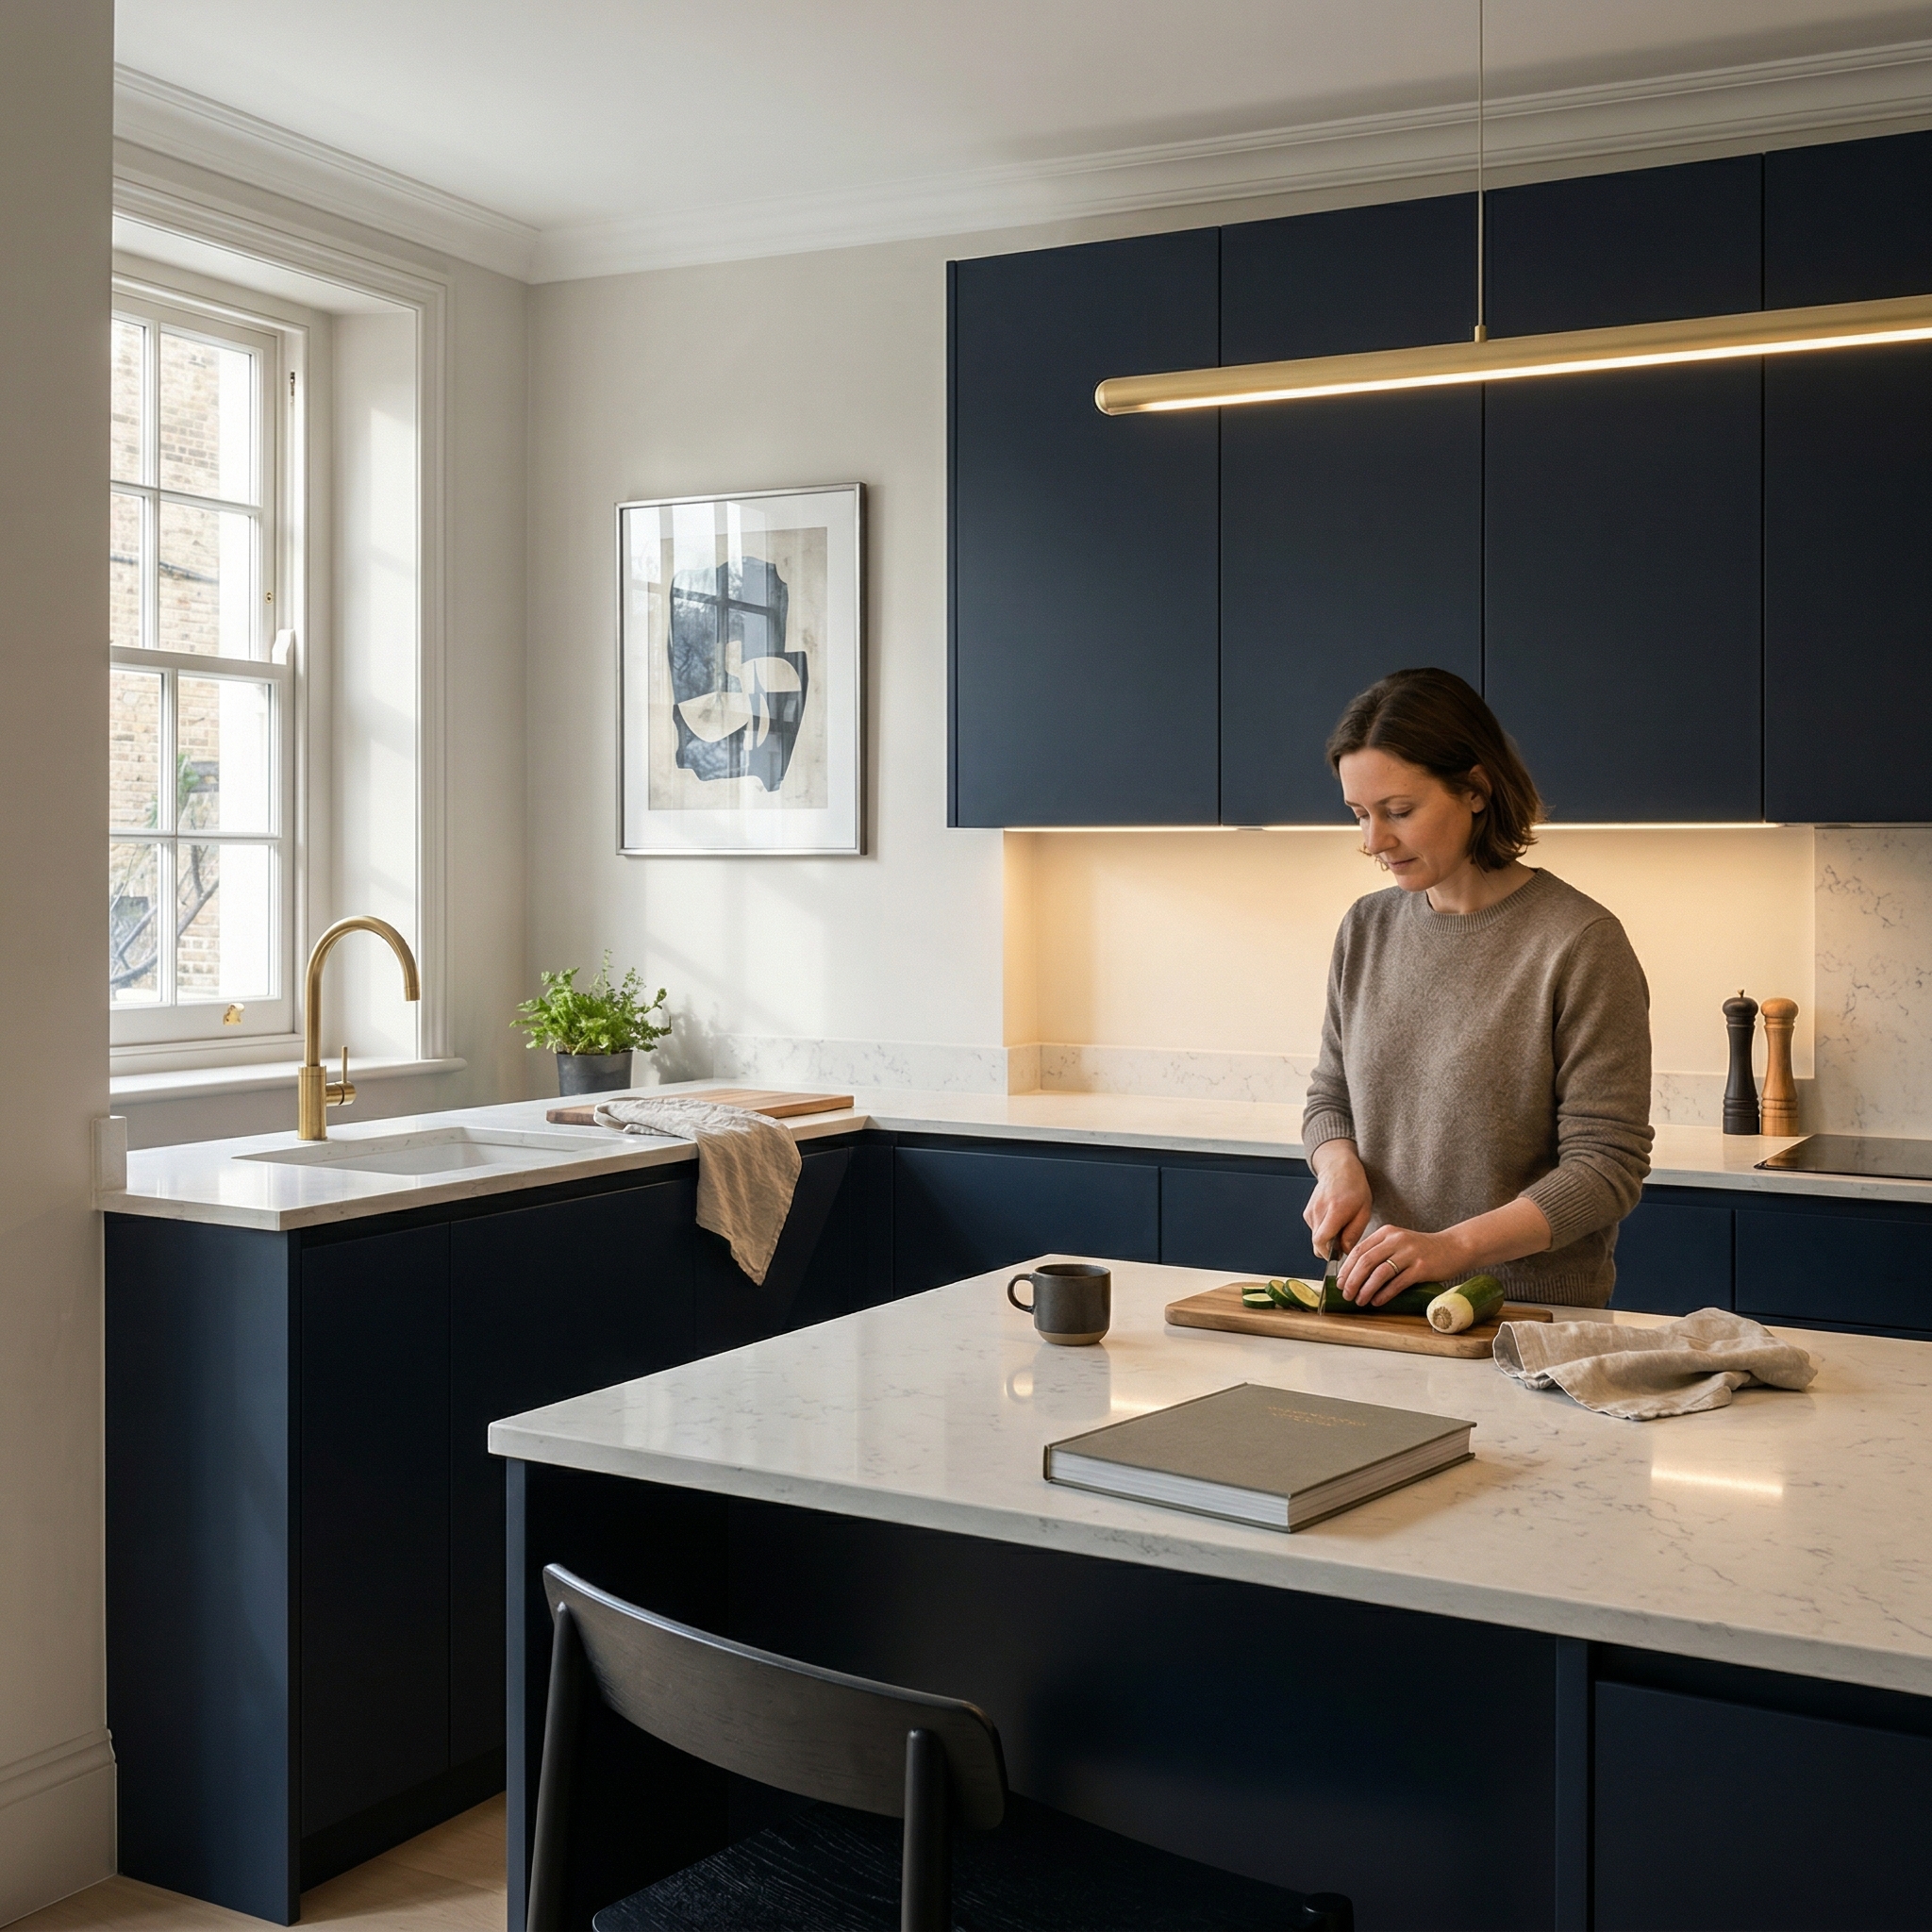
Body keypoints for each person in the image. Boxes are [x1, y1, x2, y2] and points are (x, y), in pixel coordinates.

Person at [1301, 668, 1652, 1308]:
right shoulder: (1366, 928)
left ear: (1475, 790)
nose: (1373, 841)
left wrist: (1453, 1249)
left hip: (1525, 1316)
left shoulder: (1579, 942)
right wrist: (1338, 1166)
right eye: (1359, 814)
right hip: (1373, 1302)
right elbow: (1331, 1096)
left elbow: (1606, 1168)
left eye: (1399, 812)